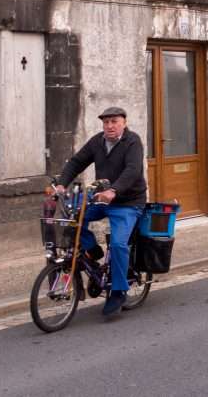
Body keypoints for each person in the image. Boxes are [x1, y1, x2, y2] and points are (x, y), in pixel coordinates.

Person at [55, 106, 147, 317]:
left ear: (124, 122)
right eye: (106, 122)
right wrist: (61, 184)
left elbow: (132, 171)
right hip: (103, 199)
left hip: (128, 202)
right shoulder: (98, 141)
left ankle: (118, 290)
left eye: (114, 121)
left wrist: (115, 190)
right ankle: (92, 250)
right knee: (74, 217)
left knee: (117, 244)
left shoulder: (132, 142)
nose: (109, 126)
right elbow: (77, 162)